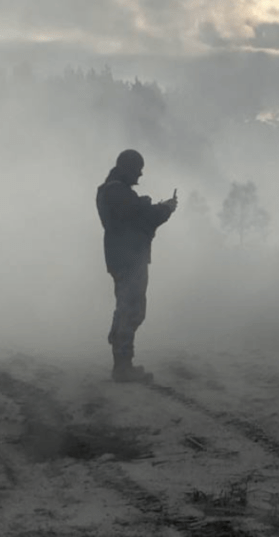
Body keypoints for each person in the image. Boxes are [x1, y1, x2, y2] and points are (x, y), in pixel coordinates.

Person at [96, 149, 178, 383]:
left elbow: (139, 215)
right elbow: (143, 219)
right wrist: (166, 209)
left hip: (123, 257)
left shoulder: (111, 191)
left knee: (127, 307)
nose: (140, 174)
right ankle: (122, 367)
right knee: (132, 309)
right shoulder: (116, 192)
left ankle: (121, 359)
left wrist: (157, 208)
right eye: (137, 168)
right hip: (128, 258)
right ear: (127, 168)